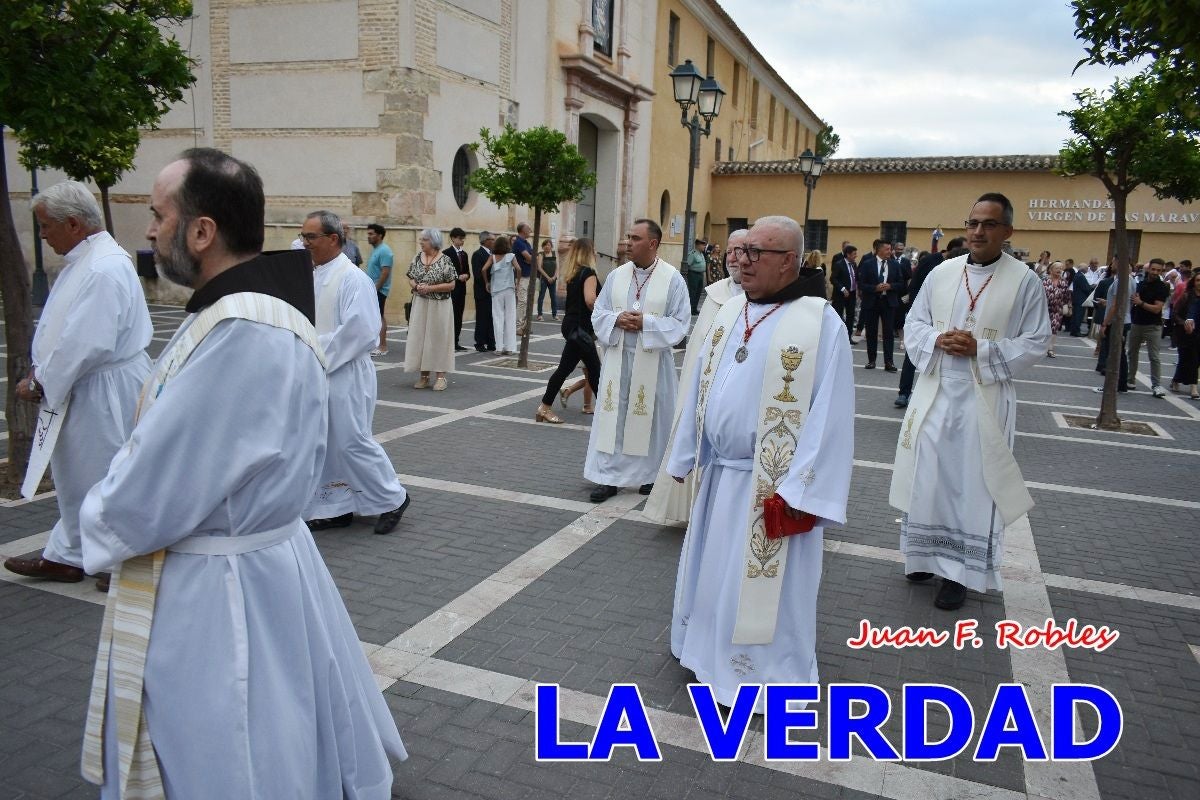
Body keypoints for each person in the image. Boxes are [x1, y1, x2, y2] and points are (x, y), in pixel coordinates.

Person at [77, 148, 405, 798]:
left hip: (218, 586)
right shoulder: (265, 311)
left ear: (202, 231)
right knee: (279, 719)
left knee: (236, 742)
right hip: (264, 559)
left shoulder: (237, 331)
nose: (148, 230)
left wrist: (93, 522)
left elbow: (156, 486)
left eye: (158, 213)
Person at [667, 214, 854, 712]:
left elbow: (831, 413)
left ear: (789, 262)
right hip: (723, 475)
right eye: (741, 251)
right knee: (713, 575)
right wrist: (687, 450)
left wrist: (798, 491)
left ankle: (763, 675)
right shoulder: (731, 311)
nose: (742, 261)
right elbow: (702, 385)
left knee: (761, 588)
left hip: (773, 487)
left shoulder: (819, 322)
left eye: (756, 253)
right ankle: (706, 652)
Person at [891, 193, 1050, 611]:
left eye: (990, 224)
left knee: (972, 483)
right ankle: (923, 557)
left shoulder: (1025, 281)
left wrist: (982, 349)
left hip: (985, 397)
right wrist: (937, 340)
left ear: (1008, 231)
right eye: (974, 222)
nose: (979, 231)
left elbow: (1037, 340)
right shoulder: (942, 272)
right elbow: (914, 321)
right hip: (936, 390)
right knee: (929, 473)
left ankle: (958, 573)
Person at [3, 181, 152, 590]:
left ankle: (113, 560)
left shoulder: (104, 267)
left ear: (72, 224)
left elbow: (87, 342)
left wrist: (40, 382)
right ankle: (68, 555)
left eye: (47, 226)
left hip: (101, 389)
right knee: (76, 476)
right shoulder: (89, 259)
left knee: (101, 475)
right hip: (87, 386)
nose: (43, 234)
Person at [303, 209, 412, 534]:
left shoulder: (353, 278)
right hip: (323, 371)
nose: (304, 242)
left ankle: (394, 497)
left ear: (333, 238)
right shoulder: (314, 274)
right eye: (303, 236)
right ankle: (338, 506)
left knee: (352, 441)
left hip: (346, 371)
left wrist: (313, 350)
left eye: (311, 236)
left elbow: (361, 330)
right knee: (327, 441)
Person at [644, 228, 751, 525]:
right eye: (729, 250)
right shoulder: (716, 295)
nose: (733, 257)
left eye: (740, 250)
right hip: (711, 391)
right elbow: (699, 348)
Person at [584, 219, 689, 503]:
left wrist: (648, 323)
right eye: (628, 236)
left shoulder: (673, 279)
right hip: (618, 358)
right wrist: (616, 318)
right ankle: (609, 478)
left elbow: (681, 322)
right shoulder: (617, 275)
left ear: (653, 244)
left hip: (652, 363)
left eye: (635, 238)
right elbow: (598, 314)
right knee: (613, 417)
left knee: (651, 418)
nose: (628, 242)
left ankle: (650, 475)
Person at [535, 237, 602, 424]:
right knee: (595, 371)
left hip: (572, 327)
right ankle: (607, 415)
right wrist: (607, 313)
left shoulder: (574, 273)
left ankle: (544, 408)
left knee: (567, 370)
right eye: (593, 249)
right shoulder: (588, 273)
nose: (596, 253)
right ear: (588, 252)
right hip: (581, 330)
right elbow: (590, 300)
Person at [894, 238, 966, 408]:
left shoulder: (963, 265)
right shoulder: (930, 262)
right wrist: (918, 317)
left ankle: (940, 395)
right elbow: (916, 288)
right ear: (953, 250)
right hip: (925, 316)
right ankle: (904, 392)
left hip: (949, 318)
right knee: (912, 354)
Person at [404, 227, 457, 390]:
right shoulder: (417, 258)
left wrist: (431, 288)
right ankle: (424, 376)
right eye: (421, 239)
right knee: (420, 338)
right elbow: (410, 277)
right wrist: (416, 286)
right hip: (420, 303)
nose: (421, 242)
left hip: (439, 305)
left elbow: (452, 284)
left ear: (433, 242)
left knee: (439, 339)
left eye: (424, 240)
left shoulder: (445, 260)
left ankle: (441, 377)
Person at [857, 239, 906, 371]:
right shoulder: (868, 264)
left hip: (888, 302)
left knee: (888, 333)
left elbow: (901, 283)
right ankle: (871, 361)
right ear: (879, 250)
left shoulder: (895, 265)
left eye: (890, 249)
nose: (890, 252)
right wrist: (875, 288)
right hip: (871, 302)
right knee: (871, 333)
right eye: (887, 249)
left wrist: (890, 286)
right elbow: (861, 284)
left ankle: (889, 362)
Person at [1126, 258, 1169, 397]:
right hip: (1137, 322)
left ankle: (1156, 385)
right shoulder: (1141, 283)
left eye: (1158, 270)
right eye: (1153, 269)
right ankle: (1130, 379)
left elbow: (1157, 309)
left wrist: (1140, 302)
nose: (1155, 272)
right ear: (1148, 269)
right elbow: (1133, 300)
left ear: (1162, 271)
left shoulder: (1162, 287)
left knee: (1154, 356)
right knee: (1132, 352)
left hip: (1153, 326)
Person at [484, 235, 519, 355]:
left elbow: (483, 270)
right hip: (509, 289)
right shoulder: (511, 256)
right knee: (510, 317)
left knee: (498, 318)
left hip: (496, 290)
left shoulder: (492, 257)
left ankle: (498, 348)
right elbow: (518, 269)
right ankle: (510, 348)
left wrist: (487, 282)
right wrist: (517, 283)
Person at [1170, 271, 1200, 398]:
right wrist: (1184, 323)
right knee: (1184, 358)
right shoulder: (1187, 296)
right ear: (1194, 282)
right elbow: (1175, 314)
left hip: (1198, 332)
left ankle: (1193, 386)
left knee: (1196, 359)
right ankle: (1177, 379)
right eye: (1198, 280)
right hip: (1184, 332)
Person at [364, 223, 393, 356]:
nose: (368, 236)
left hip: (379, 290)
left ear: (379, 235)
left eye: (371, 234)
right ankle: (375, 344)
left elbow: (385, 272)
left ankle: (383, 346)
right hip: (372, 289)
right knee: (375, 317)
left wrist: (376, 288)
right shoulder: (376, 249)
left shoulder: (384, 251)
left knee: (379, 316)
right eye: (368, 234)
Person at [443, 226, 471, 351]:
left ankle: (456, 341)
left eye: (463, 239)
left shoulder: (464, 254)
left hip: (461, 289)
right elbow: (444, 272)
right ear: (453, 238)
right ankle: (447, 342)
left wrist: (466, 276)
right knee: (450, 316)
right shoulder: (446, 253)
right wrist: (457, 277)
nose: (462, 241)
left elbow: (468, 271)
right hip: (451, 289)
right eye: (460, 238)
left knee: (459, 315)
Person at [472, 231, 497, 351]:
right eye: (492, 239)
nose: (494, 242)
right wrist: (489, 282)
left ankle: (491, 342)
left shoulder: (493, 254)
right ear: (485, 241)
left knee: (491, 318)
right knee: (482, 318)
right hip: (482, 291)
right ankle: (480, 342)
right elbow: (478, 274)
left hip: (493, 292)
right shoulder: (478, 254)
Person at [830, 243, 859, 343]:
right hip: (840, 295)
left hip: (852, 294)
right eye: (854, 254)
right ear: (848, 254)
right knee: (838, 316)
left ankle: (848, 337)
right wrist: (842, 289)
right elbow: (833, 279)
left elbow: (855, 277)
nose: (856, 256)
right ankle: (836, 338)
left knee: (850, 317)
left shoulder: (854, 264)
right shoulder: (839, 264)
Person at [1042, 261, 1072, 358]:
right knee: (1043, 328)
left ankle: (1050, 349)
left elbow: (1067, 296)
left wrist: (1069, 307)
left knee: (1054, 328)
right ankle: (1042, 347)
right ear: (1051, 270)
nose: (1060, 270)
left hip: (1057, 309)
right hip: (1044, 309)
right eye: (1057, 268)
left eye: (1061, 268)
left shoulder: (1064, 282)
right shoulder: (1044, 281)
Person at [513, 222, 535, 335]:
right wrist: (530, 259)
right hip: (521, 277)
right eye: (528, 228)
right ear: (522, 230)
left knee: (526, 302)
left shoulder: (527, 243)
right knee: (522, 302)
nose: (530, 229)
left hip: (528, 275)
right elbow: (529, 258)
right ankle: (519, 327)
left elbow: (534, 258)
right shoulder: (518, 243)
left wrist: (531, 258)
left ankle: (525, 326)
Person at [536, 237, 559, 320]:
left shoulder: (554, 254)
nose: (547, 246)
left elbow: (557, 267)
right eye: (545, 245)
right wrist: (548, 277)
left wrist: (554, 277)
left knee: (553, 297)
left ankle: (555, 315)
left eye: (548, 245)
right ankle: (539, 315)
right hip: (544, 279)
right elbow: (539, 268)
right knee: (541, 297)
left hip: (553, 279)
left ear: (551, 246)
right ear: (543, 246)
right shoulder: (541, 254)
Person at [685, 238, 707, 314]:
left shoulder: (701, 254)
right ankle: (690, 309)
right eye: (702, 245)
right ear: (697, 245)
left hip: (700, 275)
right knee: (693, 293)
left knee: (698, 292)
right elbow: (688, 264)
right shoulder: (693, 254)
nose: (704, 246)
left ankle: (694, 308)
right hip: (693, 275)